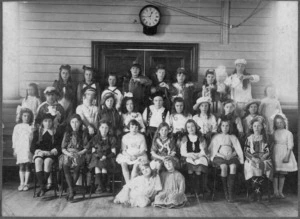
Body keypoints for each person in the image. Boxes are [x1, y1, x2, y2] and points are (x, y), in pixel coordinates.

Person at [208, 119, 244, 202]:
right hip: (219, 157)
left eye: (227, 126)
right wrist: (222, 155)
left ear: (230, 127)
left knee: (233, 167)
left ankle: (230, 193)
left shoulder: (232, 137)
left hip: (230, 156)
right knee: (224, 167)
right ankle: (226, 192)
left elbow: (237, 149)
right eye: (223, 126)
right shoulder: (217, 137)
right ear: (220, 127)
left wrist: (231, 155)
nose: (225, 128)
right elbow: (213, 150)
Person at [30, 113, 61, 197]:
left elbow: (59, 145)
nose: (48, 123)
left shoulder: (56, 132)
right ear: (42, 122)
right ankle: (43, 187)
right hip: (40, 153)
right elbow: (32, 146)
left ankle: (42, 187)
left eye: (50, 121)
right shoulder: (37, 132)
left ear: (52, 122)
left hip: (50, 153)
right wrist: (37, 150)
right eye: (45, 121)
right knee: (38, 160)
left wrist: (54, 150)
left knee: (47, 162)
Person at [59, 114, 88, 201]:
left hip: (79, 153)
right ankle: (71, 190)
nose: (74, 124)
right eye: (72, 122)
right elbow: (63, 148)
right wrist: (68, 153)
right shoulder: (67, 133)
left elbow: (86, 148)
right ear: (70, 123)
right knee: (65, 163)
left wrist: (79, 153)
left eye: (76, 122)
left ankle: (70, 190)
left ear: (80, 123)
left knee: (77, 164)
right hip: (68, 153)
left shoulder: (83, 133)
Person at [244, 117, 273, 202]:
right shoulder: (249, 138)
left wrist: (262, 158)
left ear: (262, 127)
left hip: (263, 158)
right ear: (252, 128)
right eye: (254, 126)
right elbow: (246, 151)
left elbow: (268, 151)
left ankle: (259, 192)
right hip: (252, 158)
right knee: (252, 166)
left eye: (259, 126)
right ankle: (255, 192)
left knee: (262, 165)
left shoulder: (264, 138)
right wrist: (253, 158)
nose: (256, 128)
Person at [86, 120, 117, 193]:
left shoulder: (112, 138)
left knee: (103, 167)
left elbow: (113, 152)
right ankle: (102, 186)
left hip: (108, 157)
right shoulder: (95, 138)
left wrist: (105, 156)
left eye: (106, 128)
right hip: (97, 157)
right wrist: (99, 156)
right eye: (102, 127)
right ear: (99, 128)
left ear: (109, 129)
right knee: (97, 166)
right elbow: (93, 151)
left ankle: (103, 186)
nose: (104, 129)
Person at [180, 119, 210, 195]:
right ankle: (191, 189)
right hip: (189, 156)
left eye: (193, 126)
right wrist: (190, 155)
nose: (191, 128)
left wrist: (198, 155)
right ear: (186, 129)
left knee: (198, 168)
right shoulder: (185, 138)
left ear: (196, 127)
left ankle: (198, 189)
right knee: (190, 168)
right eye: (188, 127)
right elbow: (183, 151)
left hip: (199, 156)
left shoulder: (200, 137)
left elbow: (204, 150)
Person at [272, 113, 297, 199]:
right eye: (277, 123)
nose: (279, 124)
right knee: (275, 173)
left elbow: (290, 146)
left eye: (281, 122)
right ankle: (275, 192)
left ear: (284, 122)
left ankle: (280, 191)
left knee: (282, 173)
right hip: (275, 152)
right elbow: (272, 143)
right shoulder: (274, 132)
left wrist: (287, 156)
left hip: (284, 152)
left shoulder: (288, 133)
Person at [116, 119, 148, 183]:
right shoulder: (125, 137)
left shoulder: (141, 136)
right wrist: (130, 156)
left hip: (139, 155)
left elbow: (143, 150)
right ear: (129, 128)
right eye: (132, 127)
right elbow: (123, 150)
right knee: (123, 164)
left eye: (136, 127)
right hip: (128, 155)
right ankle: (128, 183)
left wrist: (136, 156)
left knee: (136, 165)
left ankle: (132, 182)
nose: (134, 129)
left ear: (138, 128)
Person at [12, 108, 34, 191]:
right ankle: (21, 183)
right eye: (25, 116)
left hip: (28, 148)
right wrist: (15, 149)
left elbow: (33, 139)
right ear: (21, 116)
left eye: (28, 116)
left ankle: (26, 183)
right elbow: (14, 138)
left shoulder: (31, 127)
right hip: (20, 148)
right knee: (21, 166)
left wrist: (31, 150)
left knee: (28, 166)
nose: (26, 118)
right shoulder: (17, 127)